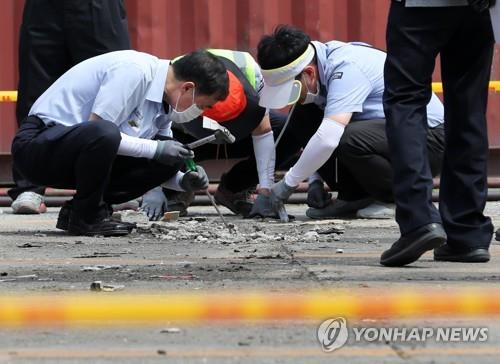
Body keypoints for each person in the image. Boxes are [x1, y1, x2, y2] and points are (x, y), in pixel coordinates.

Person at [11, 49, 228, 236]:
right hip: (38, 147)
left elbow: (148, 159)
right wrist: (156, 148)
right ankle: (87, 216)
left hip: (77, 154)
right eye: (203, 105)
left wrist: (182, 180)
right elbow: (99, 132)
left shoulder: (164, 102)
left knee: (169, 155)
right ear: (188, 88)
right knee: (110, 133)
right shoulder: (135, 71)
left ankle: (77, 211)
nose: (200, 112)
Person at [255, 25, 445, 221]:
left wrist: (287, 185)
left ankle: (398, 200)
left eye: (291, 91)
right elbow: (316, 131)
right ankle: (354, 198)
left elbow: (328, 138)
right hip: (390, 136)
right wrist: (315, 182)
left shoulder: (346, 66)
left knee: (347, 138)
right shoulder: (319, 67)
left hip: (429, 138)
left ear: (309, 73)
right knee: (302, 115)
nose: (290, 100)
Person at [381, 0, 496, 266]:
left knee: (406, 100)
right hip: (478, 7)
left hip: (419, 5)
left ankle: (418, 220)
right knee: (469, 107)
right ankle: (467, 234)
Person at [141, 49, 301, 220]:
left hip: (234, 138)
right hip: (185, 136)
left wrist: (266, 190)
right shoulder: (177, 85)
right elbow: (150, 137)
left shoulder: (250, 71)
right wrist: (152, 187)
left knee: (288, 131)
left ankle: (234, 188)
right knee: (169, 144)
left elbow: (263, 131)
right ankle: (176, 192)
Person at [10, 0, 131, 214]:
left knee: (112, 82)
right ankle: (29, 186)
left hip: (99, 7)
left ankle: (113, 187)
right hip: (44, 7)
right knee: (36, 87)